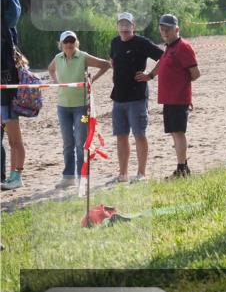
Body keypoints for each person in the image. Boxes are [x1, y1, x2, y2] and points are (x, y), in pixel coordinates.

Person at [92, 13, 164, 184]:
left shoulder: (142, 42)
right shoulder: (115, 42)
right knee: (121, 136)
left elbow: (164, 56)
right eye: (121, 24)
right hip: (118, 98)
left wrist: (151, 75)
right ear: (117, 26)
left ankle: (141, 174)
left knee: (139, 134)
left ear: (133, 26)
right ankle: (123, 174)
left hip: (137, 97)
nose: (124, 28)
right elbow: (112, 61)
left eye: (127, 24)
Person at [136, 14, 199, 178]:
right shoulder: (169, 47)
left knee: (178, 132)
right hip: (169, 98)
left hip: (178, 98)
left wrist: (182, 88)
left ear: (176, 29)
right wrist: (149, 75)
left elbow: (195, 73)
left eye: (168, 29)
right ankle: (182, 167)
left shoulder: (183, 47)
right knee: (174, 132)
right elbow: (162, 62)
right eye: (162, 29)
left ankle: (183, 168)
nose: (164, 32)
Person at [47, 31, 111, 188]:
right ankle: (68, 177)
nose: (69, 44)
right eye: (66, 42)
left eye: (72, 41)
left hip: (81, 108)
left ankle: (83, 176)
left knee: (81, 143)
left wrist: (92, 80)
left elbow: (106, 65)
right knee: (68, 143)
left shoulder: (83, 56)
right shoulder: (58, 58)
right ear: (61, 44)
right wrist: (56, 82)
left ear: (76, 43)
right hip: (63, 108)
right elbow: (50, 69)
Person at [1, 0, 25, 191]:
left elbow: (13, 17)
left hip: (7, 84)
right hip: (5, 82)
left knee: (13, 136)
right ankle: (9, 176)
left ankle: (16, 175)